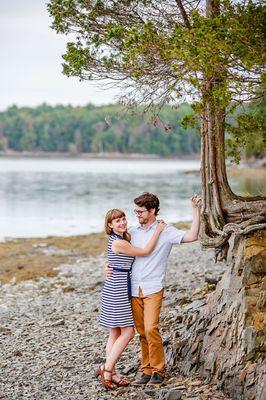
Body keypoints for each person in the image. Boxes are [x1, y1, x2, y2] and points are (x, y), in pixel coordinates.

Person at [105, 192, 201, 386]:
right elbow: (117, 250)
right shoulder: (132, 232)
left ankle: (158, 369)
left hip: (153, 287)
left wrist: (195, 210)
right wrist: (107, 266)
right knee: (141, 332)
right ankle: (146, 370)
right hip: (131, 288)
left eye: (140, 211)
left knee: (151, 329)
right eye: (136, 211)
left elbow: (192, 236)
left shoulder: (166, 231)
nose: (137, 214)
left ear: (152, 210)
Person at [95, 208, 166, 390]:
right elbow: (145, 251)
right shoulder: (119, 242)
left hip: (117, 285)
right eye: (117, 221)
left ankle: (114, 373)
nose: (122, 223)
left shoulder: (123, 238)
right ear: (109, 226)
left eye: (123, 219)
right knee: (128, 332)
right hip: (117, 289)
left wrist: (108, 266)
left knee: (115, 333)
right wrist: (158, 231)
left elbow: (115, 260)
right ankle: (107, 368)